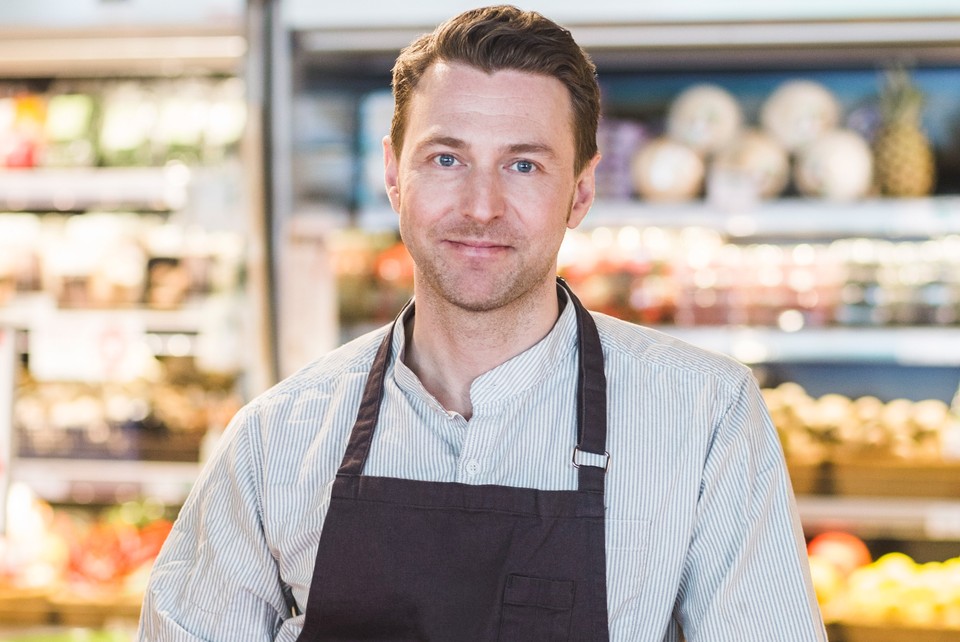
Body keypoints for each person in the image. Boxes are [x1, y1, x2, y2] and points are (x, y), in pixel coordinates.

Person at [137, 5, 827, 641]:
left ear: (580, 191)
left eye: (523, 165)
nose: (481, 206)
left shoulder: (704, 416)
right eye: (447, 158)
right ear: (393, 174)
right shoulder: (274, 437)